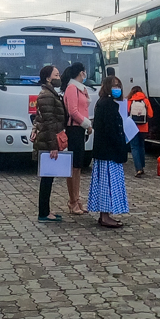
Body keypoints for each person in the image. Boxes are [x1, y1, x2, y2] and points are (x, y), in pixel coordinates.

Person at [88, 75, 129, 228]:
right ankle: (105, 216)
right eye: (114, 86)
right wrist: (120, 146)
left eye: (118, 85)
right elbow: (111, 129)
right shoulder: (109, 104)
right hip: (109, 151)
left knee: (105, 184)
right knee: (108, 184)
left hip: (103, 150)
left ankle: (105, 215)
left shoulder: (102, 103)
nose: (117, 89)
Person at [33, 65, 68, 223]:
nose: (59, 77)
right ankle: (43, 212)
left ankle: (46, 210)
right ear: (48, 78)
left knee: (49, 177)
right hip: (48, 141)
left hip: (49, 139)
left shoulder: (51, 93)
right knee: (47, 178)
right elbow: (48, 122)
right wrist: (53, 145)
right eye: (56, 74)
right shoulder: (47, 95)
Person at [61, 62, 91, 214]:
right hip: (74, 128)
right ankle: (72, 200)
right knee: (73, 166)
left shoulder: (81, 89)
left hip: (80, 129)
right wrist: (87, 124)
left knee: (78, 166)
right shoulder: (72, 88)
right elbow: (73, 111)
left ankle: (77, 199)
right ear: (81, 73)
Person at [127, 86, 152, 177]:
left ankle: (138, 169)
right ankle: (142, 166)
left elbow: (126, 113)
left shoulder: (129, 101)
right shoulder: (145, 100)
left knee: (134, 147)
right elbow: (150, 114)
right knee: (141, 146)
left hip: (132, 128)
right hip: (144, 128)